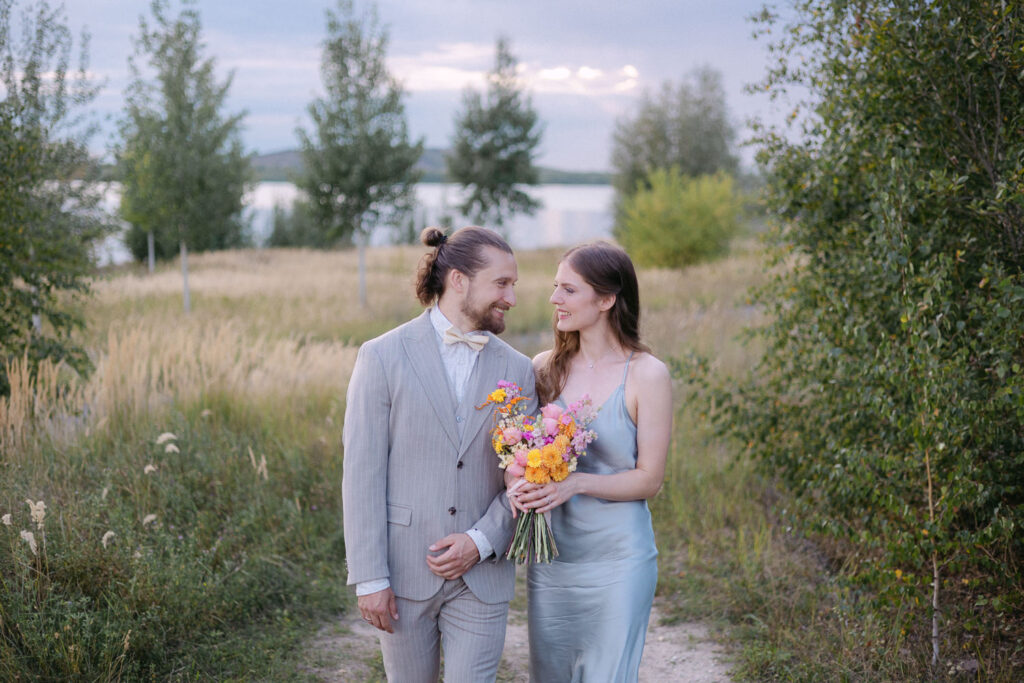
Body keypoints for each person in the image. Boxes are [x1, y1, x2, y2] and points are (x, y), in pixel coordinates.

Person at [341, 225, 536, 682]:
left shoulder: (519, 370)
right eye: (501, 283)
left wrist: (481, 541)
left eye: (513, 285)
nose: (511, 297)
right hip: (404, 573)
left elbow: (527, 477)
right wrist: (371, 578)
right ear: (459, 280)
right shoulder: (382, 356)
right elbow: (362, 474)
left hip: (483, 576)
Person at [511, 240, 673, 682]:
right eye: (555, 287)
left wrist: (575, 484)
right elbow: (521, 453)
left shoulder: (647, 374)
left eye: (568, 289)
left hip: (620, 559)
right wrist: (517, 479)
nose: (554, 299)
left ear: (606, 300)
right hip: (553, 558)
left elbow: (649, 480)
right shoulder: (545, 369)